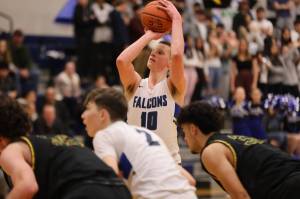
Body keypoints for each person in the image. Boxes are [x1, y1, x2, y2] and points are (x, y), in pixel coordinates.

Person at [0, 94, 131, 199]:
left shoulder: (12, 150)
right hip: (120, 190)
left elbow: (27, 186)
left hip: (87, 190)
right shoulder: (52, 144)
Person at [81, 88, 197, 199]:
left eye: (88, 109)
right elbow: (190, 180)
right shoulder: (146, 134)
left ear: (102, 115)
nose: (83, 115)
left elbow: (111, 180)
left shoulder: (104, 135)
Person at [177, 101, 300, 199]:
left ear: (193, 129)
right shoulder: (231, 140)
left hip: (289, 187)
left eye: (184, 131)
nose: (185, 139)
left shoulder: (210, 152)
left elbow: (241, 196)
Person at [116, 0, 185, 163]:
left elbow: (177, 55)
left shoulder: (173, 86)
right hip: (137, 163)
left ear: (169, 64)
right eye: (152, 51)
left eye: (160, 52)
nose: (153, 54)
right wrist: (149, 36)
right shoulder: (135, 85)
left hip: (168, 163)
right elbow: (121, 61)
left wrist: (176, 20)